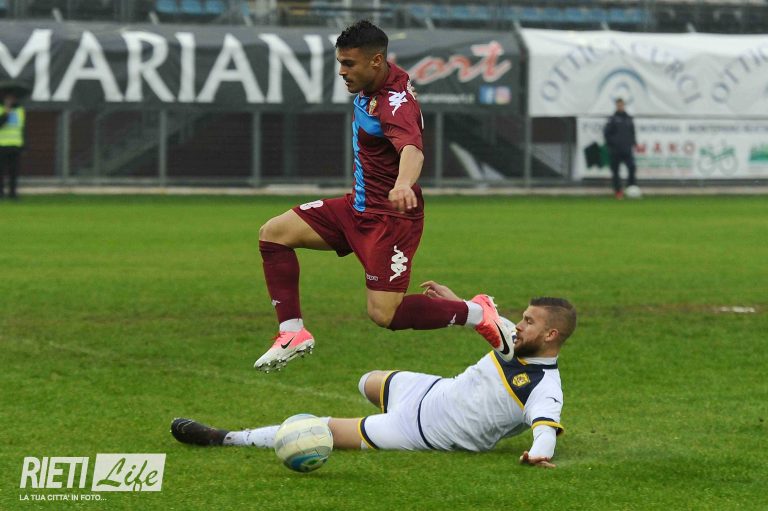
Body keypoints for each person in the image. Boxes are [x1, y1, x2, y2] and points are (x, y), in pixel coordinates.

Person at [254, 20, 512, 372]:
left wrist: (403, 183)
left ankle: (478, 313)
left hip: (390, 220)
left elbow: (412, 149)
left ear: (376, 61)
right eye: (340, 62)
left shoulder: (395, 104)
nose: (342, 71)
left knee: (384, 314)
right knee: (274, 234)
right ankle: (292, 332)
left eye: (349, 64)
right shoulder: (375, 82)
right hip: (357, 207)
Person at [172, 281, 577, 468]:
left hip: (419, 431)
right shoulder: (515, 340)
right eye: (521, 318)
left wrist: (539, 454)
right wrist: (456, 302)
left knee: (318, 430)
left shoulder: (544, 388)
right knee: (367, 380)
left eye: (528, 322)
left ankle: (226, 437)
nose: (518, 325)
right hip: (428, 389)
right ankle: (382, 411)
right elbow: (485, 320)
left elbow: (545, 429)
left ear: (551, 335)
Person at [603, 98, 637, 199]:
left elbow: (632, 132)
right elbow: (606, 133)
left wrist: (632, 143)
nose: (620, 107)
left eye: (621, 105)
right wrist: (612, 144)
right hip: (615, 150)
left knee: (632, 167)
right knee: (616, 171)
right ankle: (618, 191)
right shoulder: (612, 119)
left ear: (624, 105)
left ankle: (631, 188)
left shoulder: (628, 118)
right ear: (616, 106)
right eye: (618, 105)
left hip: (627, 150)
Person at [0, 92, 25, 200]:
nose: (10, 100)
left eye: (12, 98)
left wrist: (24, 145)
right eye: (8, 98)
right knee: (1, 171)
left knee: (14, 171)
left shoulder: (19, 110)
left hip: (15, 144)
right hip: (2, 144)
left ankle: (13, 193)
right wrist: (6, 113)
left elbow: (22, 128)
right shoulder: (1, 109)